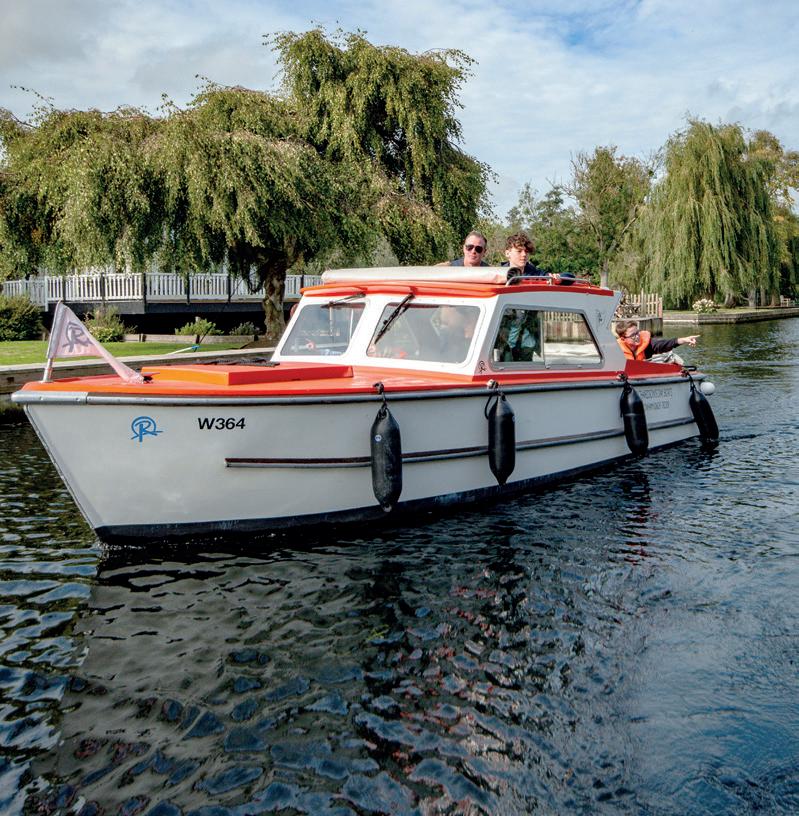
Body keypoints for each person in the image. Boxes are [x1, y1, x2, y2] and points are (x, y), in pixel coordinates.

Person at [614, 320, 699, 362]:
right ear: (623, 339)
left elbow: (663, 344)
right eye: (633, 335)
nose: (637, 336)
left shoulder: (646, 343)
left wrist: (683, 340)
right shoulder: (615, 350)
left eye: (637, 332)